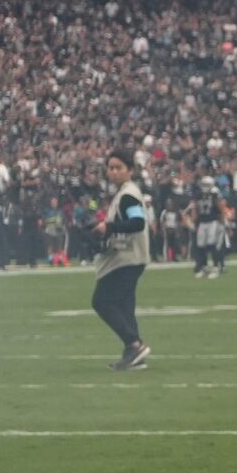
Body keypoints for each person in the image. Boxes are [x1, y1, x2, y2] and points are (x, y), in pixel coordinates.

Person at [91, 153, 152, 371]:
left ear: (130, 170)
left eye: (119, 167)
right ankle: (133, 354)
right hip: (130, 257)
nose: (114, 171)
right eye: (111, 167)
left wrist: (109, 227)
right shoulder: (124, 194)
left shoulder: (127, 195)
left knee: (102, 301)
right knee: (125, 306)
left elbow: (137, 223)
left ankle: (134, 344)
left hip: (126, 258)